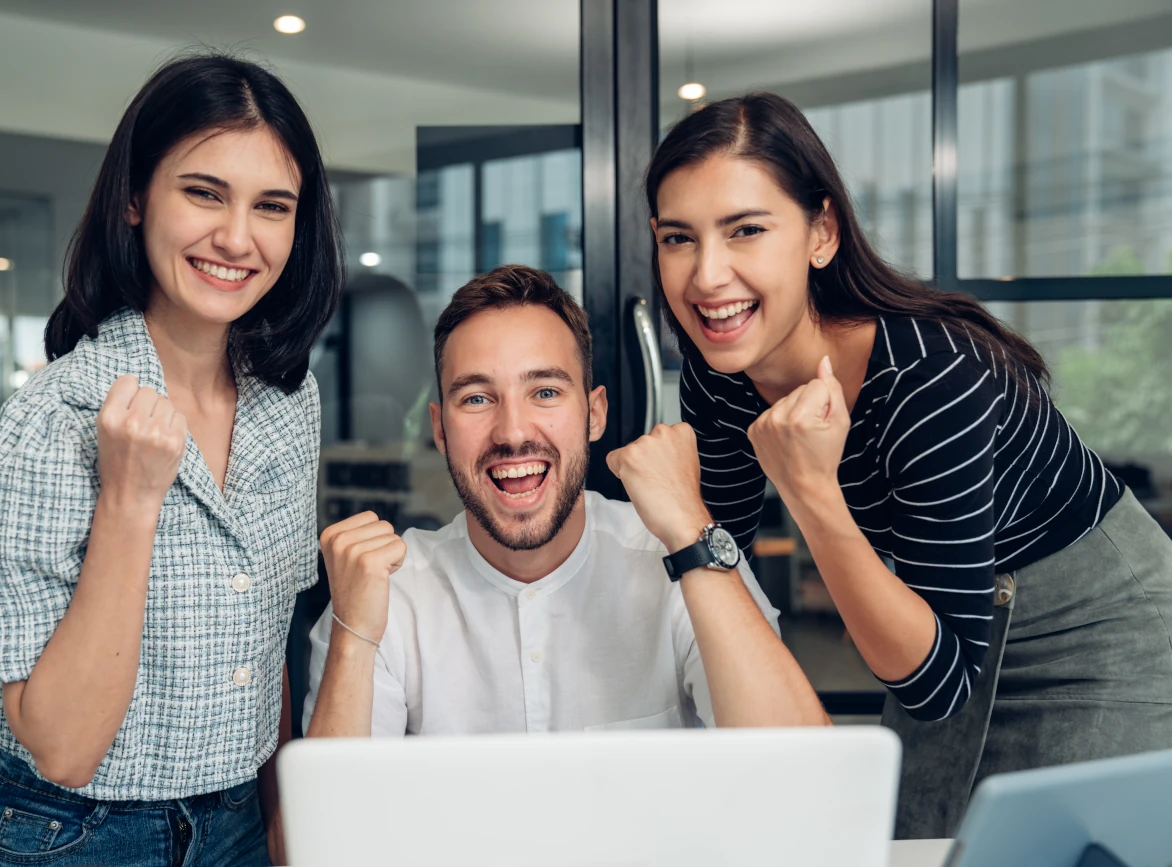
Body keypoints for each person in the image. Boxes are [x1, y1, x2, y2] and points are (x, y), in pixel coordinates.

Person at [646, 92, 1172, 837]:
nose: (707, 276)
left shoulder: (933, 373)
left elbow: (935, 685)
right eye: (678, 238)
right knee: (905, 845)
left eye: (746, 231)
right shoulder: (718, 369)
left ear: (821, 233)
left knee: (1059, 849)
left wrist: (810, 489)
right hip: (946, 617)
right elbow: (726, 568)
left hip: (1100, 625)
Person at [0, 53, 342, 867]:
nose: (237, 237)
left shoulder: (288, 404)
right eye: (204, 192)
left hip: (237, 825)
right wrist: (129, 500)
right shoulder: (54, 417)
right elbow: (61, 747)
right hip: (68, 835)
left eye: (273, 206)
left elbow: (263, 654)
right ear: (135, 198)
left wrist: (281, 818)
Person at [304, 265, 827, 737]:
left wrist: (692, 531)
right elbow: (325, 837)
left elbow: (805, 780)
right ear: (440, 431)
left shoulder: (681, 557)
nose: (512, 432)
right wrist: (354, 637)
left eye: (546, 392)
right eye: (478, 399)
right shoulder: (389, 593)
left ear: (594, 413)